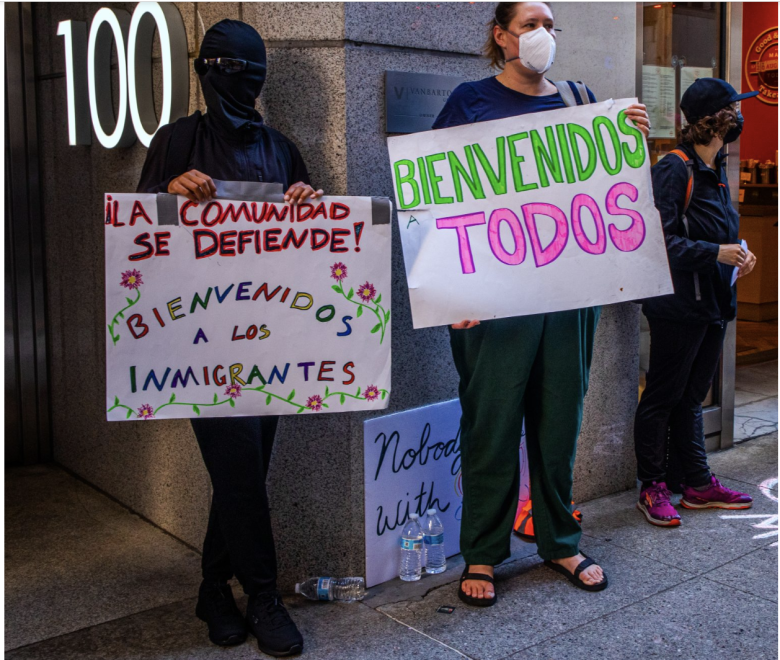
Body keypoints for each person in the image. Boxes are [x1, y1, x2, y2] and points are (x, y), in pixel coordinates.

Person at [432, 2, 651, 606]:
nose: (543, 35)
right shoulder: (469, 101)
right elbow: (437, 203)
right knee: (491, 424)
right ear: (500, 36)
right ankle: (482, 551)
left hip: (566, 295)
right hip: (495, 300)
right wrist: (453, 288)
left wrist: (624, 134)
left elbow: (607, 191)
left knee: (560, 421)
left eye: (551, 25)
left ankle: (559, 538)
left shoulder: (580, 102)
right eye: (530, 24)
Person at [137, 20, 323, 657]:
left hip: (268, 339)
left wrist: (307, 203)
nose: (240, 83)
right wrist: (167, 194)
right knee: (240, 468)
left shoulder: (281, 149)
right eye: (227, 68)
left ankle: (214, 588)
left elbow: (309, 249)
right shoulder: (175, 140)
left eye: (250, 70)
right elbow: (133, 237)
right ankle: (264, 597)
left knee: (244, 468)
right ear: (206, 71)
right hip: (198, 341)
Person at [634, 78, 758, 527]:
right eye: (735, 110)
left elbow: (718, 231)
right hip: (678, 307)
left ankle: (697, 483)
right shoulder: (675, 168)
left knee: (690, 398)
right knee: (662, 398)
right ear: (715, 119)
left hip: (714, 304)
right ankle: (652, 486)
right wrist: (714, 253)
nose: (741, 117)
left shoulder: (716, 168)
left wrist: (740, 252)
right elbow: (655, 241)